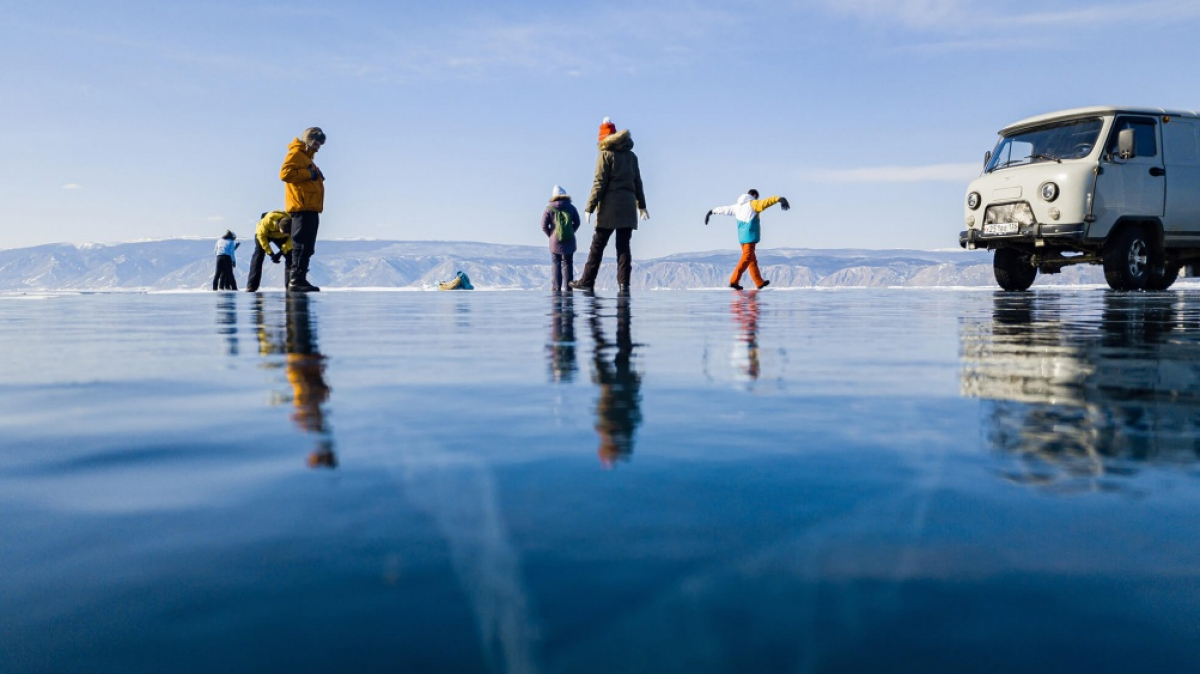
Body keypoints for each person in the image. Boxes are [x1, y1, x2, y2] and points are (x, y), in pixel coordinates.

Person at [569, 118, 648, 292]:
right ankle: (624, 284)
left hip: (609, 207)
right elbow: (637, 182)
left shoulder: (605, 155)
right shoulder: (631, 156)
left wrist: (589, 207)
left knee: (597, 245)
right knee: (623, 247)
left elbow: (599, 183)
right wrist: (641, 206)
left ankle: (587, 281)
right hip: (628, 207)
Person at [705, 189, 790, 290]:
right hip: (750, 236)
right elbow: (766, 202)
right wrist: (779, 199)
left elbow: (724, 209)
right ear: (754, 195)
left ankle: (759, 282)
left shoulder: (736, 206)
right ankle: (734, 281)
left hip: (742, 237)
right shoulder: (753, 203)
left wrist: (711, 211)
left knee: (752, 260)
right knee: (746, 258)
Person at [279, 127, 326, 292]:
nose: (319, 147)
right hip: (302, 207)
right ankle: (295, 279)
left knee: (308, 245)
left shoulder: (307, 158)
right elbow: (285, 174)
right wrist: (309, 174)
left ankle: (301, 278)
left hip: (311, 208)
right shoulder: (296, 154)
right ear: (310, 140)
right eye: (317, 143)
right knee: (300, 243)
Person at [541, 185, 581, 291]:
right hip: (569, 239)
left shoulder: (548, 209)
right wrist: (571, 232)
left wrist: (551, 235)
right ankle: (568, 287)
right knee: (568, 262)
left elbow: (543, 226)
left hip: (555, 240)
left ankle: (556, 287)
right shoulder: (571, 207)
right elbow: (577, 222)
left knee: (556, 262)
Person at [245, 211, 294, 292]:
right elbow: (262, 238)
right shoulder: (266, 222)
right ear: (278, 227)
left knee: (290, 256)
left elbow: (290, 241)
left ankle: (289, 285)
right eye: (284, 233)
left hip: (279, 235)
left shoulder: (292, 224)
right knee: (258, 255)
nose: (286, 235)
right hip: (264, 235)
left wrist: (281, 252)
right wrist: (271, 253)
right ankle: (251, 286)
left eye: (287, 234)